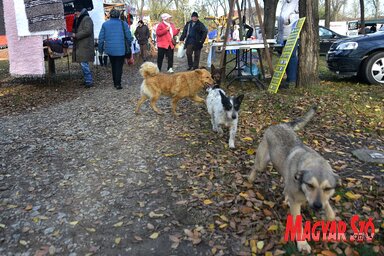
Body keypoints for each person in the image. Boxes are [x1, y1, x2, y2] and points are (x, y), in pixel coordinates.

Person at [98, 9, 133, 89]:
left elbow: (101, 39)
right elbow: (128, 36)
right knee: (119, 66)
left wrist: (100, 50)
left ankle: (115, 81)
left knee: (113, 65)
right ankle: (118, 83)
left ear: (110, 15)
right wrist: (129, 44)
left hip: (110, 49)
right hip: (121, 49)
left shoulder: (105, 24)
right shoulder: (123, 24)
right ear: (118, 15)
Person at [277, 0, 299, 88]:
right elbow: (280, 19)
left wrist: (290, 18)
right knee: (285, 57)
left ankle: (292, 80)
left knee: (292, 57)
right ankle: (288, 79)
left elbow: (299, 16)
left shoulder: (297, 2)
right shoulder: (283, 3)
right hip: (283, 35)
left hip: (293, 33)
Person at [72, 2, 95, 88]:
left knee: (84, 63)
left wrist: (76, 35)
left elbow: (87, 31)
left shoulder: (86, 19)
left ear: (80, 11)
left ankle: (89, 81)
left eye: (76, 11)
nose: (75, 13)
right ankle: (87, 80)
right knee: (83, 63)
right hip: (81, 45)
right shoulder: (79, 19)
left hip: (84, 45)